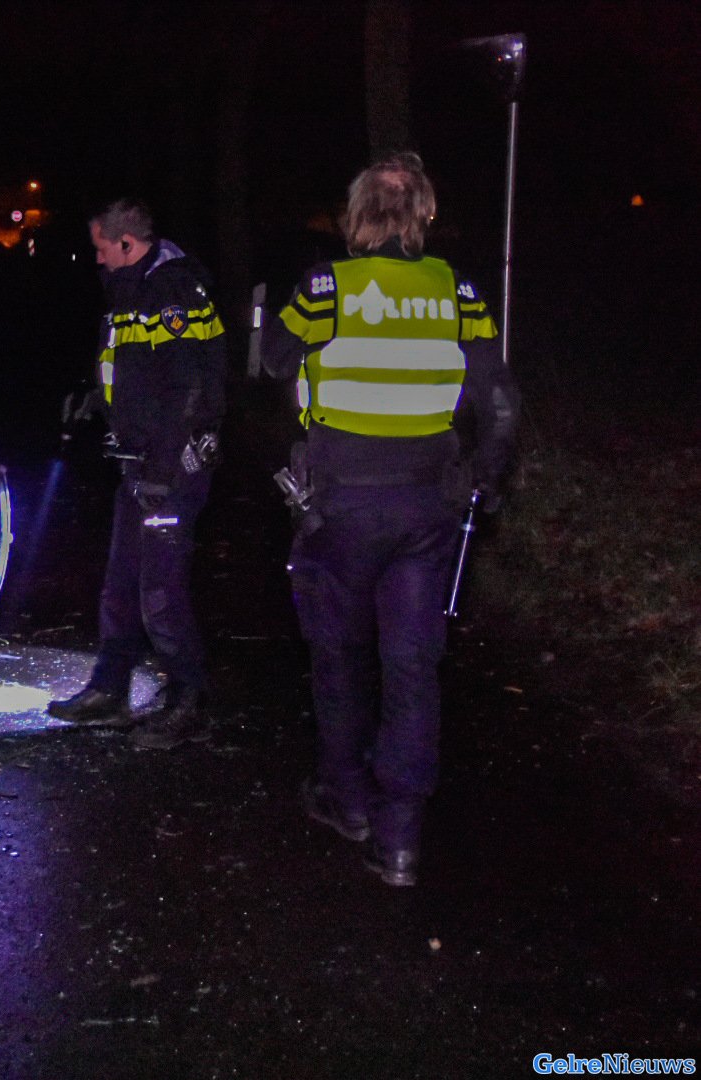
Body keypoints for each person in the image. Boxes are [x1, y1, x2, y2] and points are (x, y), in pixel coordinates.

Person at [260, 153, 519, 886]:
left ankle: (347, 799)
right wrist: (488, 473)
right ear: (424, 214)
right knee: (412, 663)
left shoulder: (326, 285)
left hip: (341, 504)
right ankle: (401, 836)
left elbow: (275, 361)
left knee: (339, 654)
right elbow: (496, 394)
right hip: (428, 503)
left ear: (357, 213)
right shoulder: (457, 288)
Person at [47, 198, 227, 749]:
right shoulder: (131, 288)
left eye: (102, 247)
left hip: (167, 469)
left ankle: (187, 702)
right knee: (121, 582)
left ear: (127, 242)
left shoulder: (170, 291)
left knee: (160, 592)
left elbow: (195, 389)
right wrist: (96, 403)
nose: (96, 258)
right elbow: (130, 369)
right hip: (137, 463)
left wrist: (168, 466)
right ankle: (109, 688)